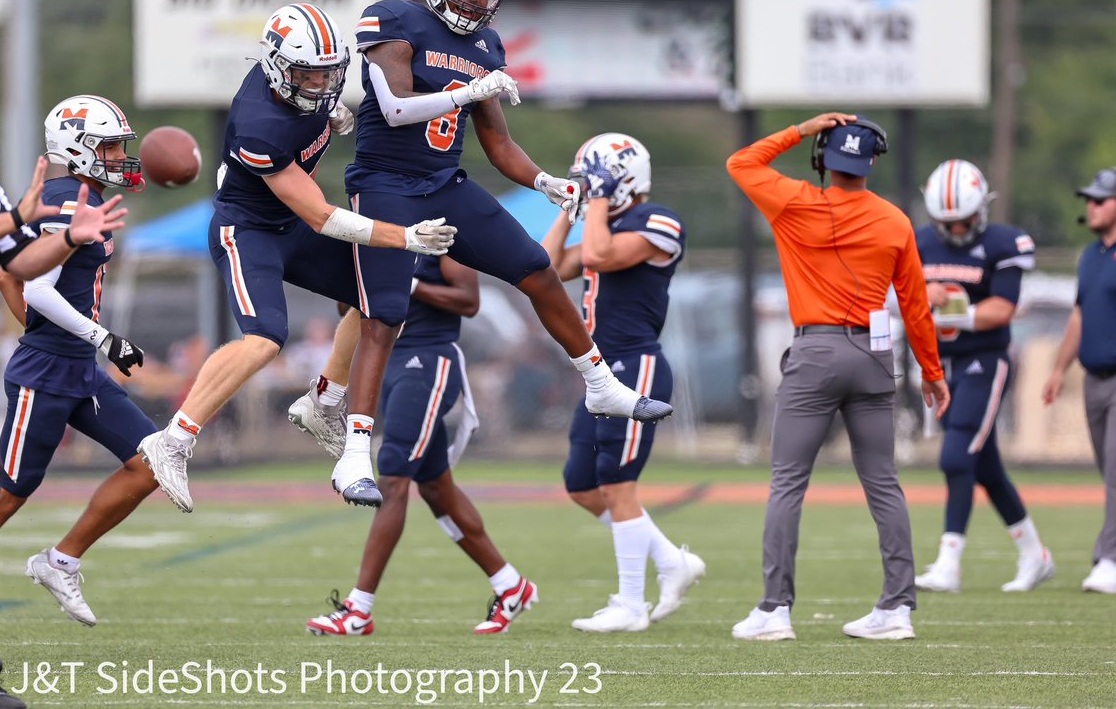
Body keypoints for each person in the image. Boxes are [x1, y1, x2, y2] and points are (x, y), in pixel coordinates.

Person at [292, 0, 671, 509]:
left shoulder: (487, 45)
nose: (477, 0)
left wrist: (546, 181)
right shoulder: (394, 19)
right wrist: (467, 92)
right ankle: (353, 456)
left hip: (446, 185)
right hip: (387, 186)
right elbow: (394, 110)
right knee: (383, 314)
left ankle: (600, 384)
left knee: (536, 268)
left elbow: (498, 143)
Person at [135, 4, 458, 514]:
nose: (321, 83)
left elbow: (312, 144)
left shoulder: (303, 91)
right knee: (265, 338)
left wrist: (328, 109)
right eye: (309, 73)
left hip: (290, 223)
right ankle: (173, 439)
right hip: (251, 229)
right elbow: (322, 217)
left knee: (379, 300)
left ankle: (323, 398)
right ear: (278, 67)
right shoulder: (258, 124)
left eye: (330, 72)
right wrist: (405, 236)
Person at [0, 96, 166, 651]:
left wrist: (69, 337)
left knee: (152, 462)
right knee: (6, 494)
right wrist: (101, 338)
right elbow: (32, 286)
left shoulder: (87, 197)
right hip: (46, 372)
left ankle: (61, 559)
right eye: (107, 146)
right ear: (76, 149)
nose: (119, 156)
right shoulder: (62, 200)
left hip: (78, 367)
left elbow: (14, 280)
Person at [725, 113, 949, 642]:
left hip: (816, 351)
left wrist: (801, 129)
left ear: (824, 159)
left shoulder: (794, 200)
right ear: (873, 162)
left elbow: (741, 162)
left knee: (787, 483)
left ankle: (775, 610)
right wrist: (932, 373)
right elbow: (915, 308)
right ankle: (897, 608)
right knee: (883, 483)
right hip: (873, 356)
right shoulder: (895, 221)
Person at [306, 255, 536, 636]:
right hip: (388, 362)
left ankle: (359, 609)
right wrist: (354, 273)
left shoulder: (441, 231)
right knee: (434, 486)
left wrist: (409, 284)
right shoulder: (375, 232)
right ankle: (510, 584)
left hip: (427, 360)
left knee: (393, 479)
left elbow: (469, 300)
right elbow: (346, 306)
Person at [540, 133, 705, 632]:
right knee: (582, 484)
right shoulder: (600, 220)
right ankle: (672, 562)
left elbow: (603, 256)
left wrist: (597, 205)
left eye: (593, 179)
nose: (588, 189)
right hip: (599, 371)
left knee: (617, 483)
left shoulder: (657, 221)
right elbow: (544, 268)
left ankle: (631, 604)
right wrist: (571, 208)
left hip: (637, 366)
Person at [913, 160, 1054, 593]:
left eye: (965, 221)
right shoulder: (918, 243)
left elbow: (1001, 309)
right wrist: (919, 289)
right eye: (948, 223)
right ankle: (1035, 554)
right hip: (940, 367)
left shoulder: (1003, 242)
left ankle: (948, 563)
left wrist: (942, 307)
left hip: (985, 362)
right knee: (985, 467)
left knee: (956, 457)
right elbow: (895, 293)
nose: (957, 232)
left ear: (983, 210)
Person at [1042, 167, 1116, 594]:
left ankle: (1108, 558)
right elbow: (1079, 315)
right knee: (1109, 470)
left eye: (1101, 199)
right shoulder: (1090, 256)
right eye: (1089, 199)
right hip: (1094, 380)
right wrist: (1057, 369)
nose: (1091, 206)